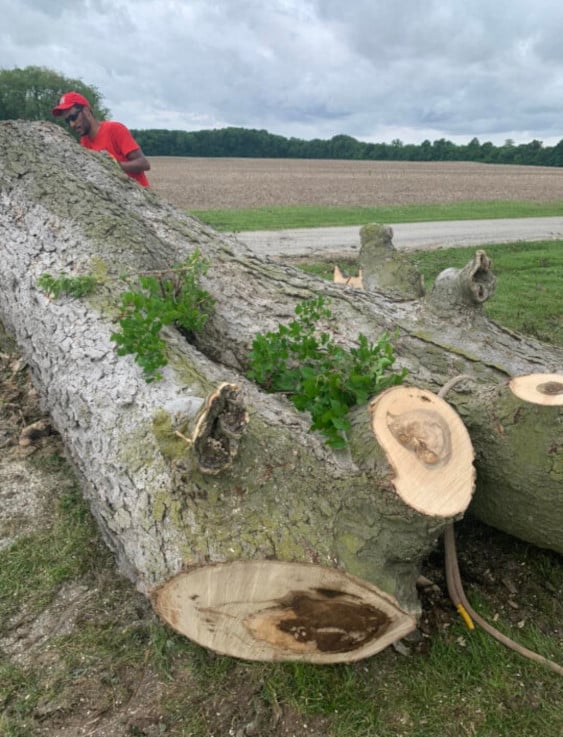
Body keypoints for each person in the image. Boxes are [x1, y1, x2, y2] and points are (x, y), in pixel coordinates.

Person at [52, 92, 150, 187]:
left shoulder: (115, 129)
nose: (72, 124)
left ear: (86, 111)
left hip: (139, 199)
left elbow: (144, 163)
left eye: (73, 117)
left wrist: (112, 165)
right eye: (67, 120)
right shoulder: (83, 142)